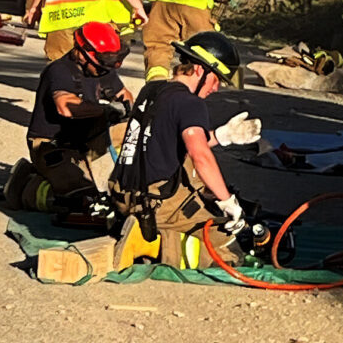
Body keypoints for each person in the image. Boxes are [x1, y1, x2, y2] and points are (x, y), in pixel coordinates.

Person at [109, 31, 261, 269]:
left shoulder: (153, 90)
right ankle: (149, 243)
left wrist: (223, 136)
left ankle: (139, 226)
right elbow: (200, 155)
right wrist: (228, 202)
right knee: (228, 249)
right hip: (158, 203)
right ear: (201, 70)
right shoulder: (191, 104)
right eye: (216, 78)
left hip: (123, 192)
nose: (217, 88)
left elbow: (168, 136)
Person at [4, 21, 132, 212]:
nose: (106, 68)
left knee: (132, 129)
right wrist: (105, 110)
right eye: (103, 63)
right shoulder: (59, 71)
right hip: (52, 144)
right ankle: (27, 184)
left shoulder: (102, 69)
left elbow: (125, 96)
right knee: (81, 197)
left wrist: (126, 107)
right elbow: (66, 107)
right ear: (81, 53)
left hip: (85, 140)